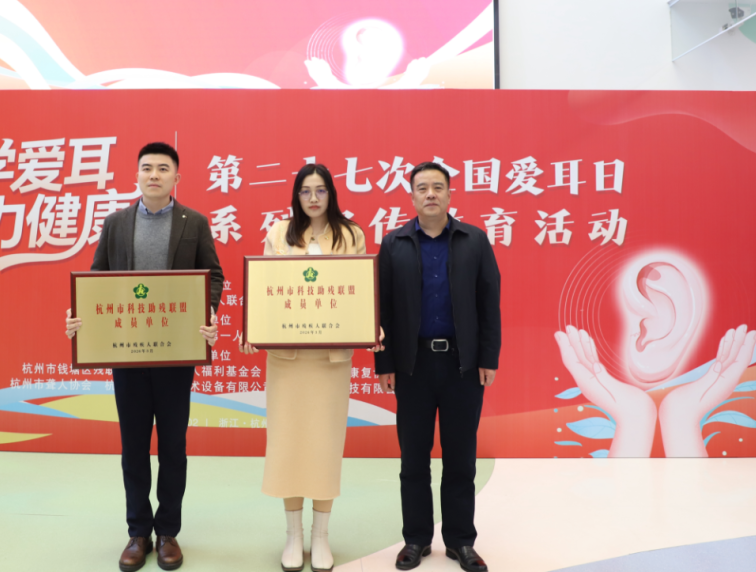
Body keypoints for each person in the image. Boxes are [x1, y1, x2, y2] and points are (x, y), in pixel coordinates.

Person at [65, 142, 223, 572]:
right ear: (136, 175)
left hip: (176, 355)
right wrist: (80, 316)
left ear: (176, 177)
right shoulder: (116, 223)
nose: (154, 175)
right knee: (133, 446)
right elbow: (96, 279)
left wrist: (206, 311)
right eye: (147, 168)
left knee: (173, 446)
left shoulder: (195, 223)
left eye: (163, 168)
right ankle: (138, 532)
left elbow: (213, 275)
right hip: (127, 354)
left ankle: (168, 531)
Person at [240, 163, 379, 572]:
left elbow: (360, 291)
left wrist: (371, 324)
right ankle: (293, 535)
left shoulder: (350, 235)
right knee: (288, 444)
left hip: (330, 360)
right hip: (288, 359)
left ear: (331, 194)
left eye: (320, 190)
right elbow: (264, 289)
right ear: (296, 196)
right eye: (305, 191)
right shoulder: (279, 233)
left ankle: (320, 535)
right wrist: (253, 327)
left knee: (324, 445)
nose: (313, 198)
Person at [374, 161, 501, 572]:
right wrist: (385, 362)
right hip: (412, 366)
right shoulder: (394, 244)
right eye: (422, 187)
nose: (430, 194)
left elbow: (489, 303)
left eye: (438, 187)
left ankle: (461, 541)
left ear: (449, 194)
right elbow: (382, 310)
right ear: (411, 196)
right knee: (413, 458)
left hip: (463, 365)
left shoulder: (474, 240)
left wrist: (488, 357)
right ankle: (416, 539)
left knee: (461, 458)